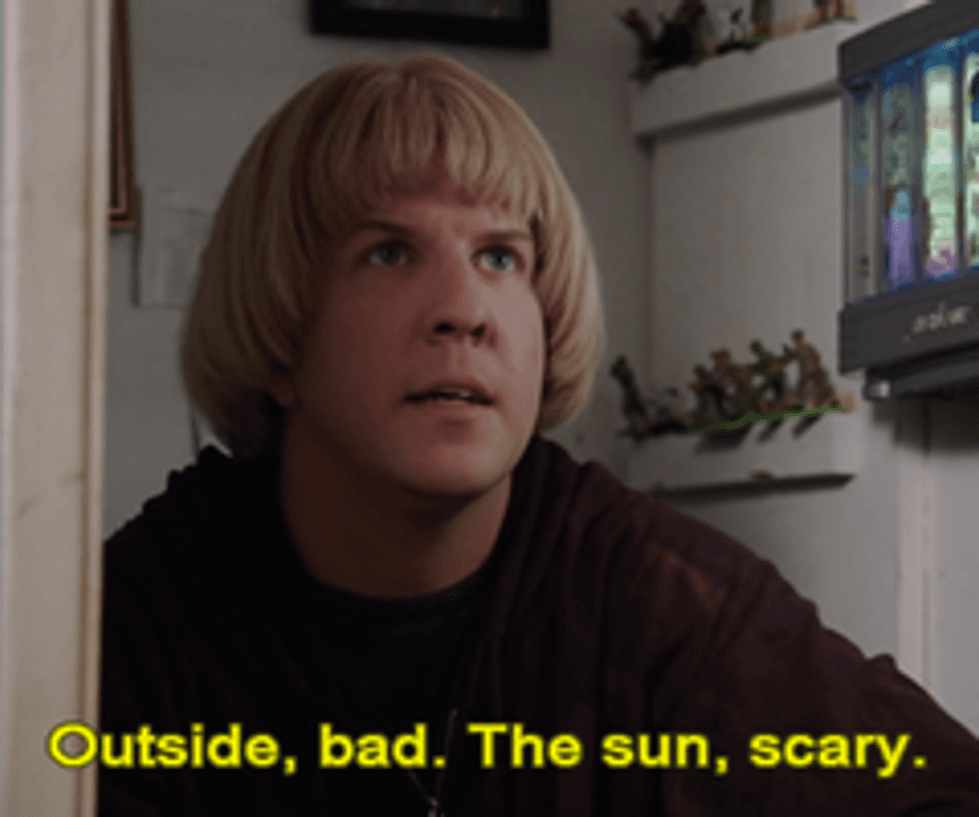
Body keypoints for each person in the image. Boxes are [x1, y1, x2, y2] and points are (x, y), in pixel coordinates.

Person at [97, 53, 979, 815]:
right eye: (389, 252)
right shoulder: (132, 628)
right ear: (282, 332)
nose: (464, 310)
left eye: (500, 256)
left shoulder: (655, 596)